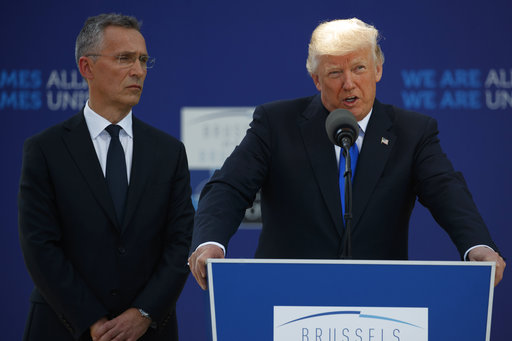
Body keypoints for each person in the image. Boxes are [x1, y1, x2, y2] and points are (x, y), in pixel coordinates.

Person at [188, 18, 505, 290]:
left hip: (380, 302)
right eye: (335, 73)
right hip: (286, 296)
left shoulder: (413, 132)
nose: (349, 83)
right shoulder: (276, 124)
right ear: (316, 79)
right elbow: (228, 187)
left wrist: (476, 244)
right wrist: (210, 242)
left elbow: (447, 191)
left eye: (359, 68)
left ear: (378, 69)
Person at [18, 13, 194, 341]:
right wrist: (91, 319)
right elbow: (39, 245)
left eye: (143, 60)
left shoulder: (169, 152)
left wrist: (143, 313)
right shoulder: (45, 150)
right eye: (124, 58)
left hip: (148, 331)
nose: (138, 71)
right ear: (87, 68)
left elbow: (180, 243)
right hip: (63, 327)